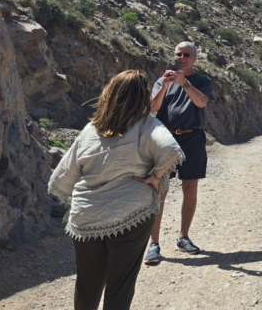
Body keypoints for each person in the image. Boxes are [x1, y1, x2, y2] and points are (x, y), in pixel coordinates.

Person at [49, 70, 185, 310]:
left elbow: (63, 175)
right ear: (142, 97)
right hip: (130, 213)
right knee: (120, 285)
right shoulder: (147, 125)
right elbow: (172, 151)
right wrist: (155, 177)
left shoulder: (91, 129)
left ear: (109, 94)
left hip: (86, 217)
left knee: (87, 285)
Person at [145, 41, 213, 264]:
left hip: (192, 138)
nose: (182, 58)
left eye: (186, 55)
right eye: (178, 54)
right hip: (165, 138)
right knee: (159, 189)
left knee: (190, 187)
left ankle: (183, 237)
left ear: (194, 58)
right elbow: (153, 108)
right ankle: (153, 244)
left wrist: (184, 83)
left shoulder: (202, 81)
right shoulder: (162, 80)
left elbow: (201, 102)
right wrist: (165, 86)